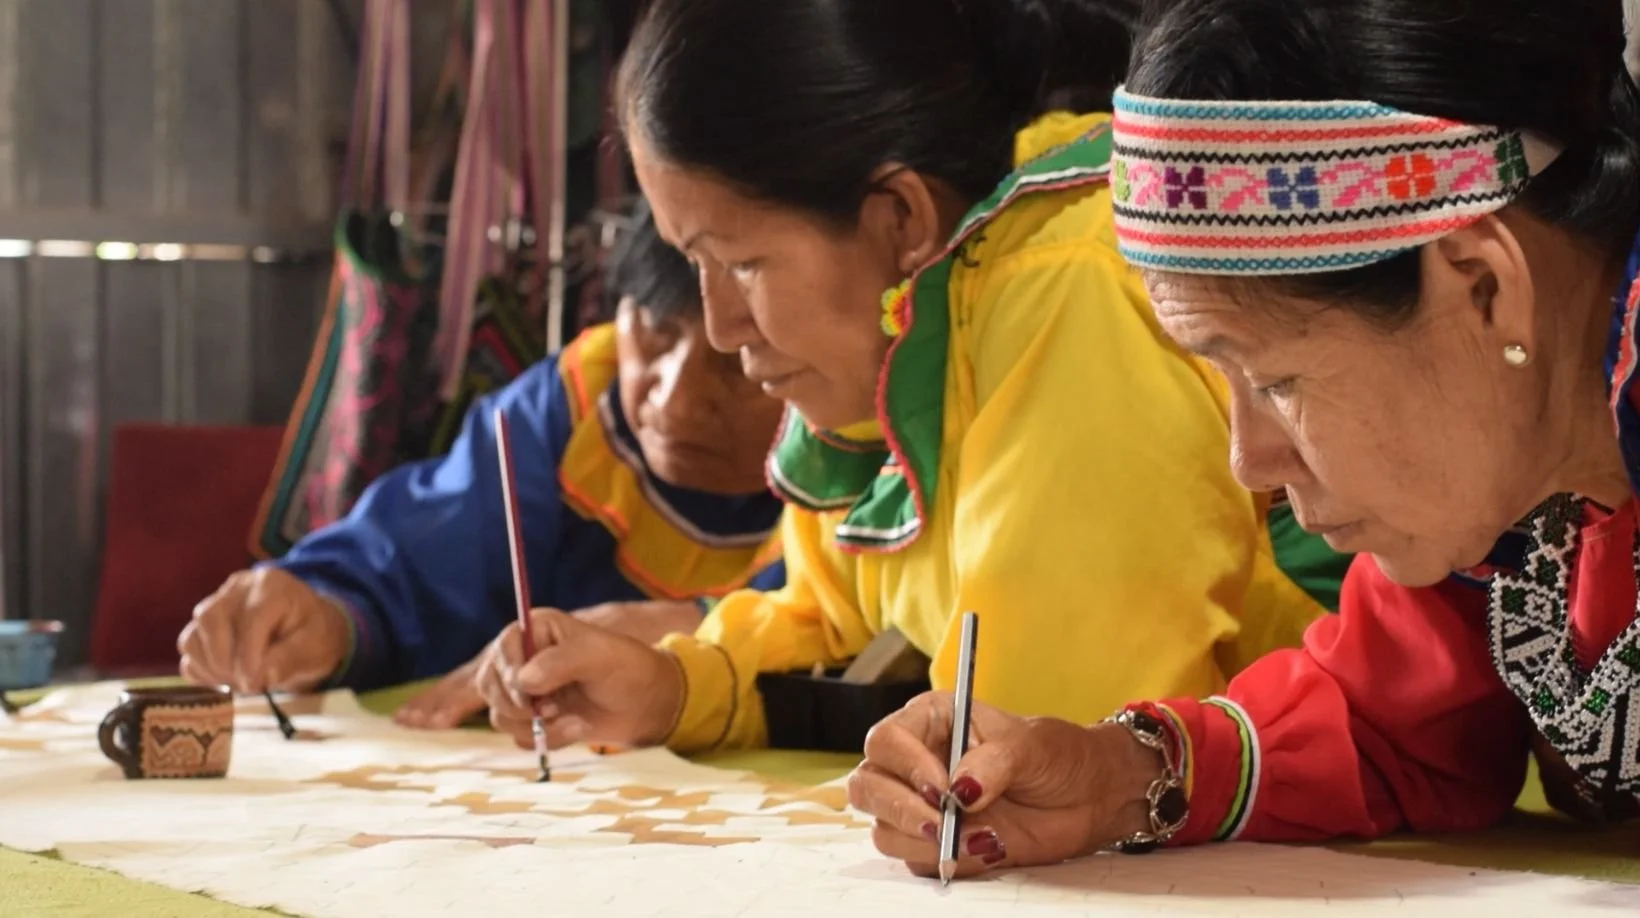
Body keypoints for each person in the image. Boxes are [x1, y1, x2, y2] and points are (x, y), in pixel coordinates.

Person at [845, 0, 1640, 879]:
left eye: (1277, 381)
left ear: (1483, 286)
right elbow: (1390, 724)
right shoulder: (1505, 479)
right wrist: (1110, 776)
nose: (1248, 462)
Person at [473, 0, 1349, 762]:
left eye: (739, 264)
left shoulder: (1065, 289)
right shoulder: (900, 336)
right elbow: (839, 628)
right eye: (695, 264)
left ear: (900, 218)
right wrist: (674, 686)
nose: (722, 326)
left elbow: (1042, 742)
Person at [177, 205, 788, 728]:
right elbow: (424, 555)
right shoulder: (567, 411)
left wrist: (694, 632)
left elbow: (860, 633)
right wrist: (329, 614)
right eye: (655, 329)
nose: (675, 397)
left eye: (736, 362)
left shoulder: (868, 452)